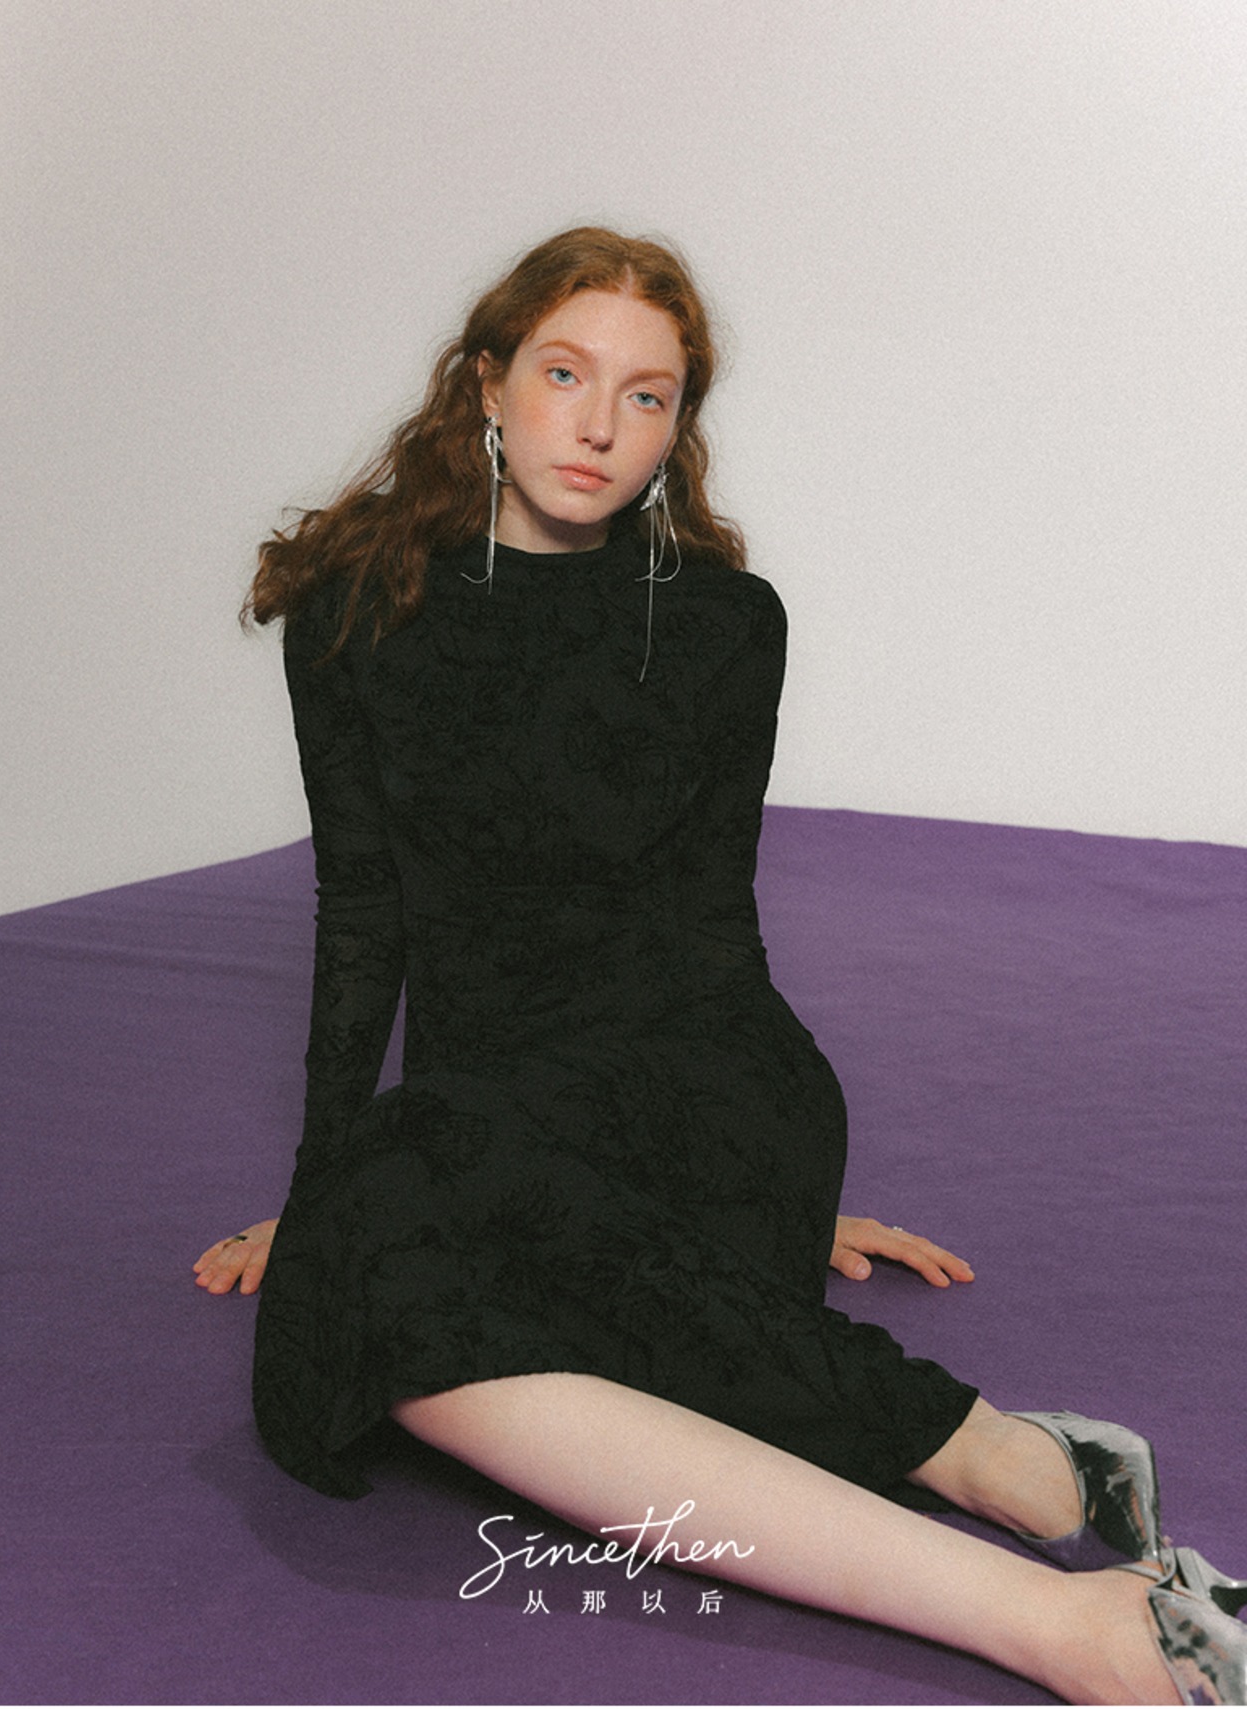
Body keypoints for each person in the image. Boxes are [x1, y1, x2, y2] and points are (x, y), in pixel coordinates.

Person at [195, 227, 1244, 1704]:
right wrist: (331, 1183)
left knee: (414, 1269)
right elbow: (362, 914)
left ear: (679, 425)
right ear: (488, 382)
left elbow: (709, 929)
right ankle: (1026, 1518)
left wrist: (771, 1182)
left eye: (648, 395)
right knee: (375, 1283)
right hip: (489, 1123)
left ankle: (1048, 1541)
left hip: (698, 1088)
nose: (599, 426)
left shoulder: (722, 625)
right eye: (566, 374)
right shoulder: (362, 610)